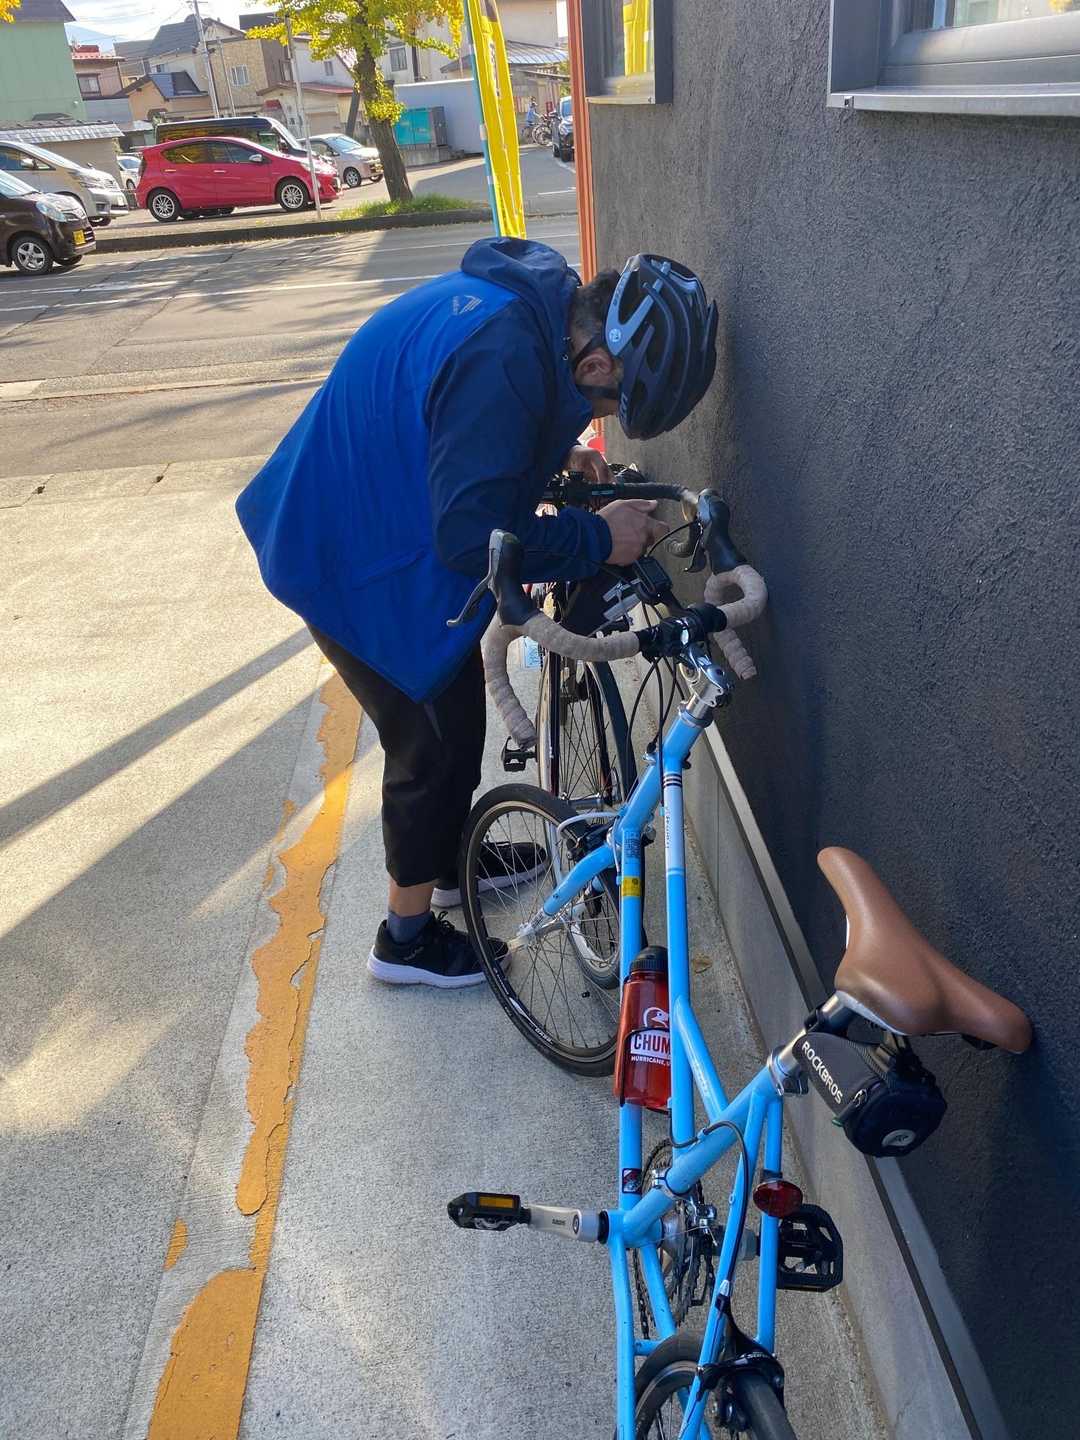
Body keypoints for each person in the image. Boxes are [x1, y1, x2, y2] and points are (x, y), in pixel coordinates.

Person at [236, 241, 718, 989]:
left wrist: (556, 456)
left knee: (454, 714)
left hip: (366, 511)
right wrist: (597, 538)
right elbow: (469, 537)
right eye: (606, 404)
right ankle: (405, 941)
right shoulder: (505, 357)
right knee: (434, 741)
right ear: (596, 361)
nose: (600, 413)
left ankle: (448, 866)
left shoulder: (537, 310)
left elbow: (475, 435)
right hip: (342, 554)